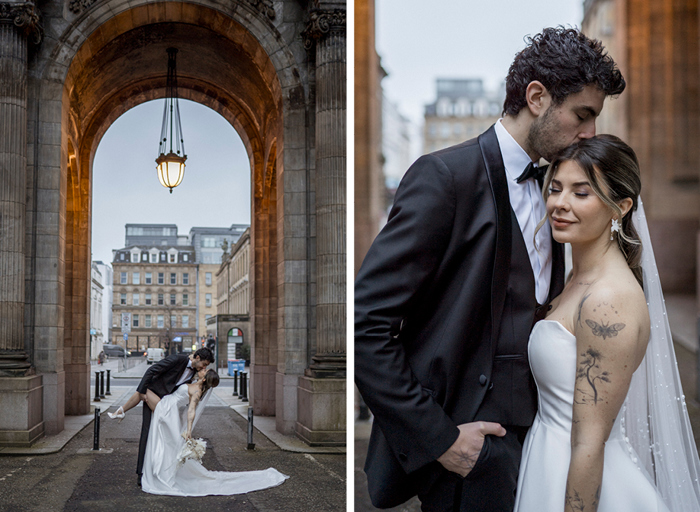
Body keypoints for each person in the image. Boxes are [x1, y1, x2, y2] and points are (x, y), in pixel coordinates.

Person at [355, 27, 626, 511]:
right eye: (582, 116)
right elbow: (365, 325)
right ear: (538, 97)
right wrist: (440, 439)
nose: (589, 133)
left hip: (544, 448)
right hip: (468, 454)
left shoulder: (561, 189)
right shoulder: (444, 178)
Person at [514, 135, 700, 511]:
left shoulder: (608, 300)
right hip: (549, 459)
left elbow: (589, 441)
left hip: (581, 478)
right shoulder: (575, 278)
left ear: (620, 207)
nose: (559, 204)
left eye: (581, 193)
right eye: (555, 188)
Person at [140, 366, 289, 496]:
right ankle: (159, 472)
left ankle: (162, 475)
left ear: (204, 379)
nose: (203, 370)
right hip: (168, 408)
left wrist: (189, 430)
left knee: (143, 392)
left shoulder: (197, 391)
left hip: (169, 412)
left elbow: (191, 411)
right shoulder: (195, 383)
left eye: (205, 371)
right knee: (165, 444)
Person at [107, 347, 214, 487]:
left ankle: (121, 411)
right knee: (147, 432)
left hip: (166, 405)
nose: (203, 368)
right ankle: (141, 474)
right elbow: (152, 370)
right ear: (197, 357)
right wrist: (143, 389)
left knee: (162, 440)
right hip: (155, 398)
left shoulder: (195, 373)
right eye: (204, 364)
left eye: (206, 367)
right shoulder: (177, 359)